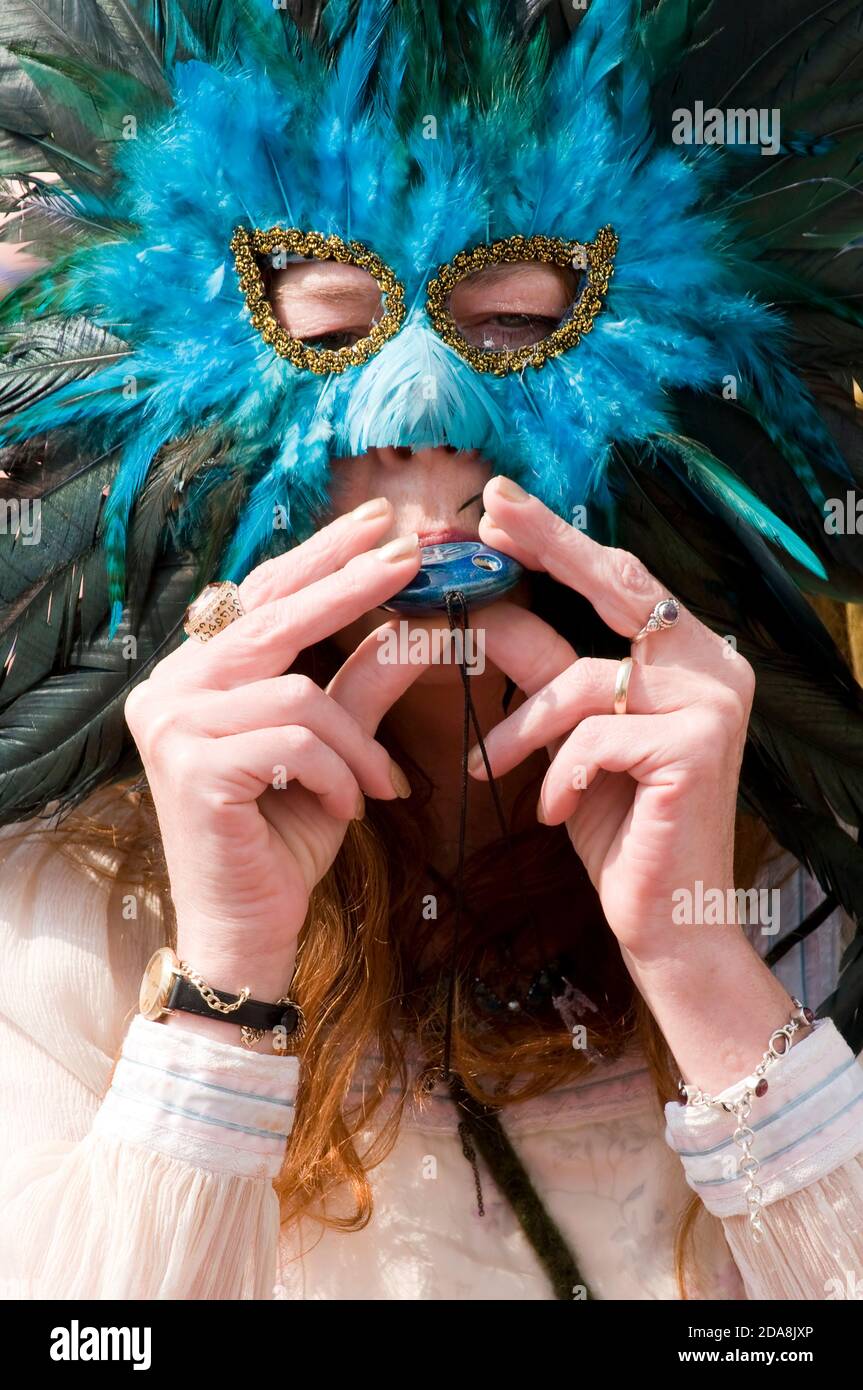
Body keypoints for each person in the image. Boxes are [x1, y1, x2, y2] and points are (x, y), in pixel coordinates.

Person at [1, 0, 862, 1302]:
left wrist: (709, 976)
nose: (425, 415)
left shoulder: (802, 910)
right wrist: (222, 993)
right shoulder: (60, 925)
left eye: (518, 319)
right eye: (331, 324)